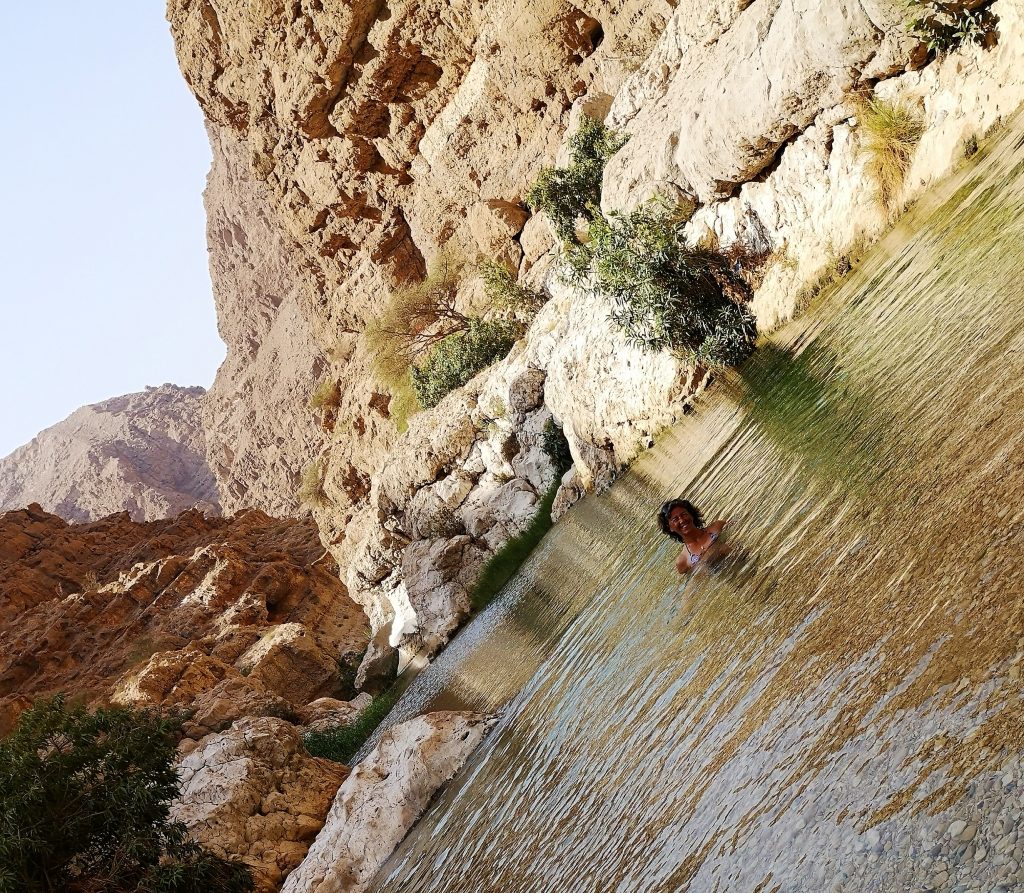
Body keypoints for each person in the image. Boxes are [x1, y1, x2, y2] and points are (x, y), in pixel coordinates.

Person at [658, 499, 728, 574]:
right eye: (675, 519)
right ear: (670, 528)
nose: (682, 520)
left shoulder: (717, 527)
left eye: (684, 514)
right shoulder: (683, 561)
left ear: (691, 515)